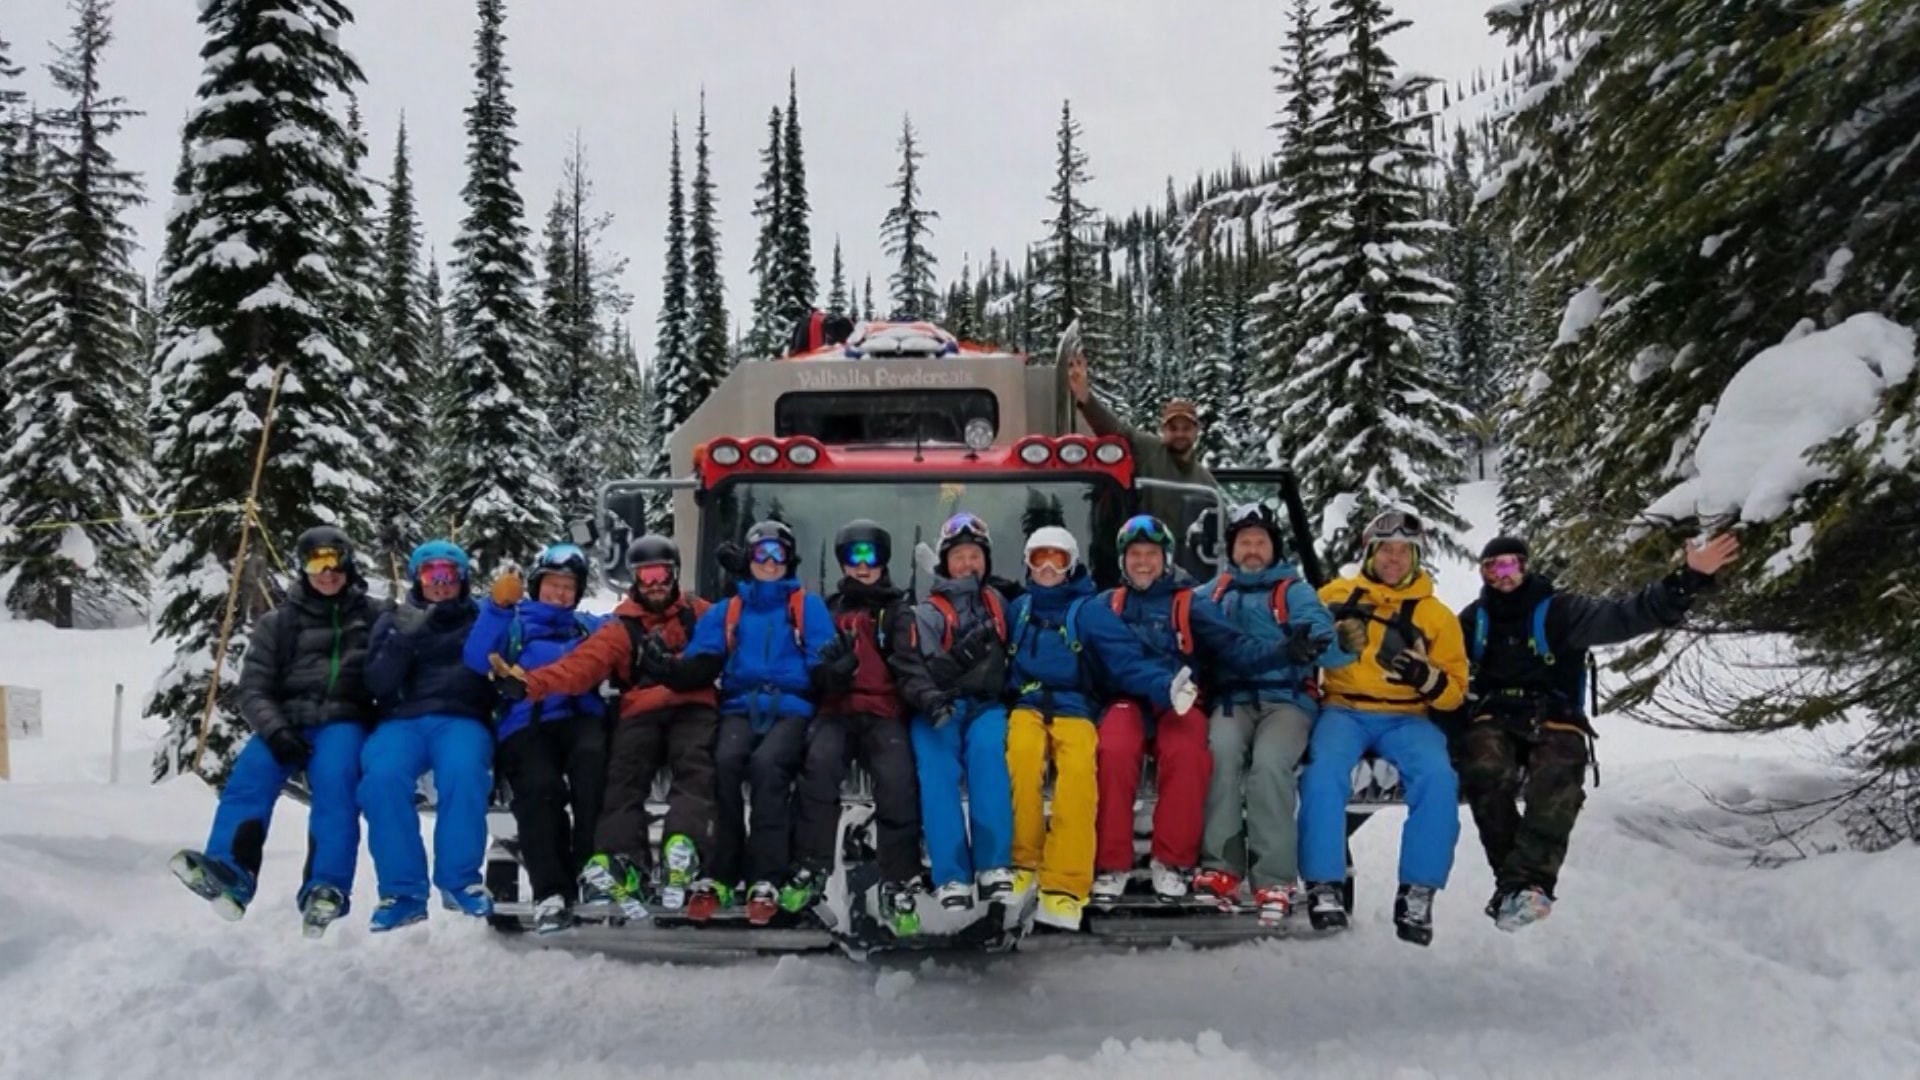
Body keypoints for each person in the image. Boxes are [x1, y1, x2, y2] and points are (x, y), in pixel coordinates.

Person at [1459, 532, 1739, 931]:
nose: (1501, 575)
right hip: (1494, 715)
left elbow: (1626, 615)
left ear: (1525, 567)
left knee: (1557, 778)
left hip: (1552, 713)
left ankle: (1525, 885)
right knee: (1483, 770)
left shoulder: (1562, 610)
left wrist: (1687, 579)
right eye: (1491, 568)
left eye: (1510, 565)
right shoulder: (1474, 621)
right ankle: (1518, 886)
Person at [492, 535, 717, 921]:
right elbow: (580, 667)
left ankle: (684, 847)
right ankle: (622, 860)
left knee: (694, 762)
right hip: (641, 711)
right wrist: (530, 684)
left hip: (694, 707)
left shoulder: (699, 613)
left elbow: (737, 635)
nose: (655, 583)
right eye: (646, 575)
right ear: (634, 579)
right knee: (622, 774)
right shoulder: (620, 627)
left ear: (675, 574)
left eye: (662, 573)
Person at [169, 526, 380, 938]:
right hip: (287, 720)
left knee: (337, 786)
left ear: (348, 565)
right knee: (249, 779)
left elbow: (422, 626)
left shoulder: (371, 616)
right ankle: (230, 870)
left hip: (343, 720)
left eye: (335, 562)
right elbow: (254, 688)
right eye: (316, 563)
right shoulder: (279, 623)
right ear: (302, 568)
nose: (327, 573)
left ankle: (326, 884)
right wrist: (276, 730)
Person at [643, 520, 843, 924]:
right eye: (760, 554)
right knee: (725, 763)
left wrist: (836, 669)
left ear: (789, 561)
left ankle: (766, 873)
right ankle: (721, 869)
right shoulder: (728, 610)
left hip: (790, 706)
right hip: (739, 705)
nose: (769, 563)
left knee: (770, 767)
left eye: (778, 555)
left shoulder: (806, 605)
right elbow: (703, 659)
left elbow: (822, 656)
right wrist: (667, 668)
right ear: (748, 561)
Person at [1092, 514, 1298, 904]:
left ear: (1165, 558)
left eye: (1151, 554)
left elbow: (1235, 647)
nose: (1142, 562)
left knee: (1189, 751)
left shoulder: (1189, 604)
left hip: (1180, 701)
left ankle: (1172, 860)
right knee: (1114, 750)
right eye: (1134, 554)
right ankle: (1111, 862)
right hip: (1127, 701)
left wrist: (1282, 653)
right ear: (1123, 560)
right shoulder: (1109, 605)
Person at [1297, 510, 1468, 946]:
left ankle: (1418, 890)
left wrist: (1427, 679)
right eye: (1386, 550)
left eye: (1403, 552)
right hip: (1345, 709)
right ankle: (1323, 884)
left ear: (1415, 557)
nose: (1393, 559)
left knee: (1436, 777)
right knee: (1322, 774)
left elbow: (1454, 693)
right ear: (1370, 553)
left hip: (1407, 716)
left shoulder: (1436, 616)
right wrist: (1325, 641)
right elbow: (1300, 646)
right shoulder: (1334, 595)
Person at [1194, 504, 1357, 923]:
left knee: (1269, 764)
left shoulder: (1293, 591)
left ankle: (1273, 876)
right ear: (1231, 549)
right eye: (1244, 542)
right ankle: (1221, 867)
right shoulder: (1213, 592)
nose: (1252, 550)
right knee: (1221, 752)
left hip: (1286, 701)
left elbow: (1322, 634)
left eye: (1260, 542)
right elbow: (1176, 614)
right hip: (1233, 700)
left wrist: (1327, 644)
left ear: (1273, 548)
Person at [1001, 526, 1161, 930]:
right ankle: (1024, 861)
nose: (1049, 567)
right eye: (1039, 559)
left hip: (1075, 706)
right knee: (1019, 758)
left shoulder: (1087, 610)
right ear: (1028, 563)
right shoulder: (1018, 609)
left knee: (1078, 775)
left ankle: (1065, 883)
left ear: (1071, 563)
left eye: (1057, 558)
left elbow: (1124, 657)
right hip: (1027, 704)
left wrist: (1166, 685)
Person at [462, 543, 606, 934]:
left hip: (582, 719)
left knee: (595, 769)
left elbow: (625, 629)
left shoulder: (584, 626)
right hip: (528, 724)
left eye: (568, 587)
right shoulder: (514, 624)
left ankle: (593, 870)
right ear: (538, 586)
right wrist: (496, 608)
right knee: (540, 788)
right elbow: (476, 658)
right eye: (553, 585)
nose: (560, 593)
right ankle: (552, 891)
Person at [789, 520, 923, 936]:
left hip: (882, 711)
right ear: (843, 564)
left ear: (883, 562)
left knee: (897, 778)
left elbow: (907, 662)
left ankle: (898, 880)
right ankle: (811, 867)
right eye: (853, 558)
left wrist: (924, 698)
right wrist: (834, 673)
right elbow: (814, 670)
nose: (863, 567)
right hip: (837, 710)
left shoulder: (898, 611)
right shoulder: (828, 611)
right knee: (820, 764)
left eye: (871, 557)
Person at [359, 539, 498, 931]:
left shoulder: (480, 618)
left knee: (464, 773)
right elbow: (378, 683)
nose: (439, 583)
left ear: (463, 579)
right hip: (403, 719)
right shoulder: (395, 620)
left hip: (461, 716)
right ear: (416, 579)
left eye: (448, 575)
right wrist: (404, 640)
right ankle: (403, 892)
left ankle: (460, 880)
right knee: (381, 780)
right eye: (430, 574)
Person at [889, 512, 1016, 911]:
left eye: (975, 556)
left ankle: (993, 865)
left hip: (985, 706)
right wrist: (934, 693)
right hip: (940, 706)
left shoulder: (1001, 603)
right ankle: (951, 874)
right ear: (945, 563)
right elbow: (909, 667)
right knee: (937, 769)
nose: (968, 564)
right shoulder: (925, 613)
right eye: (959, 556)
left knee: (990, 757)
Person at [1066, 349, 1216, 530]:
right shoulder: (1148, 450)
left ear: (1196, 431)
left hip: (1183, 556)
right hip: (1145, 549)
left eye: (1186, 428)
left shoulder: (1205, 483)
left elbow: (1219, 528)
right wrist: (1085, 397)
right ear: (1163, 430)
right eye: (1173, 428)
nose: (1179, 434)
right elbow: (1114, 429)